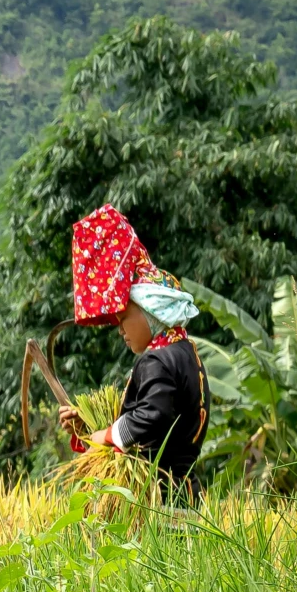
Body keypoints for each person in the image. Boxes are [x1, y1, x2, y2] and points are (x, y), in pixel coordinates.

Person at [57, 204, 208, 482]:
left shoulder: (157, 360)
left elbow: (153, 414)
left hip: (158, 498)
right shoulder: (185, 352)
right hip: (184, 491)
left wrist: (106, 435)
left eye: (123, 317)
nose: (120, 330)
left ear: (150, 310)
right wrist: (85, 429)